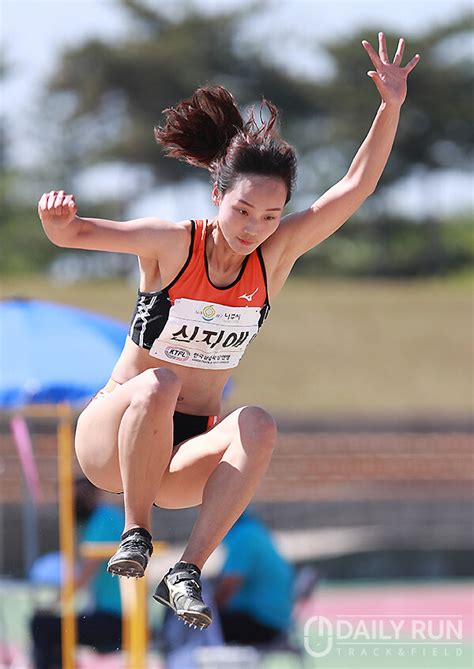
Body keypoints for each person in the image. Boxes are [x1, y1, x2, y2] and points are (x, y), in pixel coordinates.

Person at [37, 34, 420, 631]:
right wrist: (57, 221)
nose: (253, 228)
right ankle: (134, 533)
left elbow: (355, 189)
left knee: (258, 423)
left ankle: (186, 570)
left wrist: (389, 106)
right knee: (158, 382)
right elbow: (77, 235)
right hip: (113, 434)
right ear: (218, 195)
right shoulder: (173, 241)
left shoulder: (275, 257)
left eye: (270, 217)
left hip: (184, 453)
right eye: (242, 211)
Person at [30, 478, 124, 669]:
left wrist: (54, 604)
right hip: (109, 614)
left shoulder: (104, 518)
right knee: (52, 630)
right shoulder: (99, 520)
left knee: (42, 625)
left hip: (117, 620)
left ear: (93, 495)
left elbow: (85, 575)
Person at [214, 509, 294, 645]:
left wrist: (205, 606)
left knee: (195, 624)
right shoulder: (254, 530)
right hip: (276, 620)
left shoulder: (243, 538)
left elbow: (227, 589)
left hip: (263, 623)